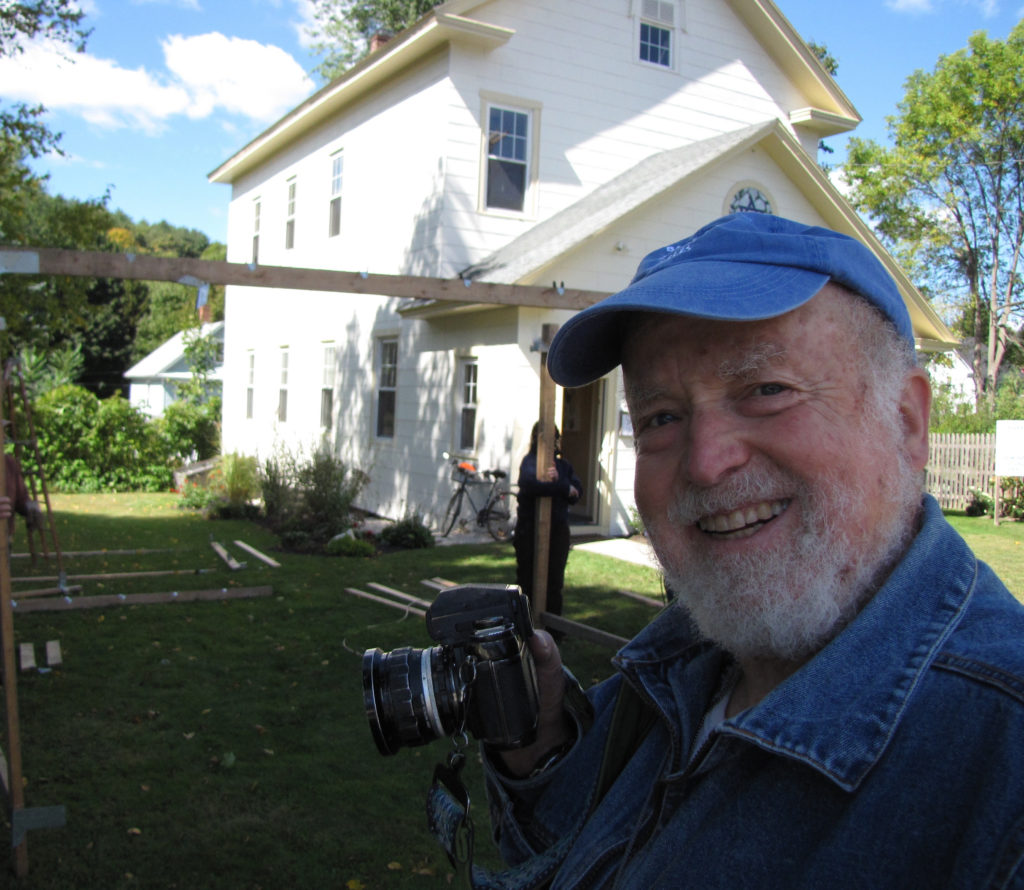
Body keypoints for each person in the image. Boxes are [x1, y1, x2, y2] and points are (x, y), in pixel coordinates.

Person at [480, 213, 1024, 888]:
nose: (706, 463)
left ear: (907, 422)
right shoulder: (684, 664)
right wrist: (540, 754)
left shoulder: (1004, 766)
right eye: (660, 418)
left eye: (768, 390)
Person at [514, 423, 582, 621]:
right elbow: (531, 485)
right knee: (527, 579)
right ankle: (525, 625)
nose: (550, 444)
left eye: (554, 439)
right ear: (536, 439)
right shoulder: (530, 462)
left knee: (554, 581)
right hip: (529, 529)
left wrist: (562, 483)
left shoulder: (563, 466)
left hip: (557, 530)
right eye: (545, 439)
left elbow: (577, 491)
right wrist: (562, 487)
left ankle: (553, 628)